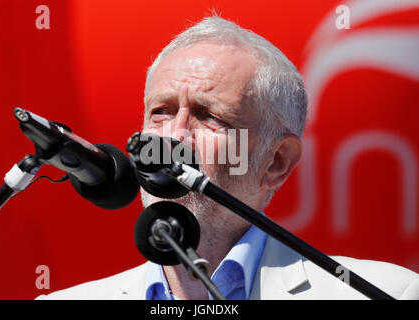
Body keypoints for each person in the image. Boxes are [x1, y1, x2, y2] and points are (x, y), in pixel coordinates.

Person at [36, 16, 418, 300]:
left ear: (276, 162)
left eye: (209, 116)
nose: (176, 135)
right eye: (161, 112)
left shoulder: (383, 293)